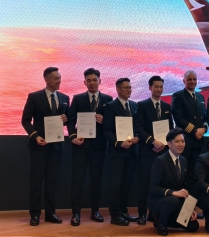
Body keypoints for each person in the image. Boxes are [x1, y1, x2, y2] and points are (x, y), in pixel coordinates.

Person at [21, 66, 69, 226]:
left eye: (60, 78)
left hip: (57, 147)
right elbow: (25, 120)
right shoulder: (34, 97)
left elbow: (68, 120)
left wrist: (66, 119)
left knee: (52, 181)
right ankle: (35, 214)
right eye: (56, 78)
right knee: (36, 181)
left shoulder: (65, 98)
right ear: (47, 79)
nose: (59, 81)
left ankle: (50, 213)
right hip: (39, 146)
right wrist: (35, 136)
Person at [66, 68, 112, 226]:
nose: (92, 83)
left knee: (96, 181)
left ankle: (95, 211)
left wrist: (104, 121)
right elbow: (71, 121)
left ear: (100, 81)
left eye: (94, 80)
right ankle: (76, 214)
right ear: (84, 82)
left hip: (99, 147)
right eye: (89, 80)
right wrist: (72, 136)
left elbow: (111, 123)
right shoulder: (78, 99)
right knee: (77, 181)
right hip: (81, 146)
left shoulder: (108, 99)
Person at [134, 76, 174, 226]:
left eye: (161, 87)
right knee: (145, 183)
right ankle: (142, 214)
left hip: (162, 152)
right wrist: (153, 141)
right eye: (156, 86)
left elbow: (170, 128)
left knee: (160, 184)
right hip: (147, 151)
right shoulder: (142, 105)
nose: (159, 89)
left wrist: (165, 144)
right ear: (150, 88)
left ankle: (154, 213)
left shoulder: (167, 106)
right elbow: (139, 129)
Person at [147, 128, 199, 236]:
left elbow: (185, 186)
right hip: (159, 199)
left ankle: (163, 218)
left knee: (194, 226)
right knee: (173, 201)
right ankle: (161, 223)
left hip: (176, 200)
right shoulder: (160, 161)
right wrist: (174, 193)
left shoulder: (183, 160)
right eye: (177, 141)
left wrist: (190, 208)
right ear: (169, 144)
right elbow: (153, 188)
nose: (180, 144)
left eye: (182, 141)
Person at [102, 78, 139, 226]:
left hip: (132, 152)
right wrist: (119, 143)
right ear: (117, 89)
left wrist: (137, 137)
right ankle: (115, 215)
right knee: (116, 186)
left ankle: (124, 212)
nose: (129, 90)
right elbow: (107, 130)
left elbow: (137, 127)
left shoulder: (134, 105)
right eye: (126, 88)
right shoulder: (110, 106)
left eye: (130, 87)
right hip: (117, 153)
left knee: (126, 185)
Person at [171, 70, 208, 182]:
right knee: (183, 173)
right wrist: (196, 131)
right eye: (189, 79)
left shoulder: (200, 97)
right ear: (184, 81)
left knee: (195, 172)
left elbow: (205, 117)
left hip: (198, 141)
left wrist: (204, 129)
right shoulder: (178, 96)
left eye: (194, 79)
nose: (192, 81)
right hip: (185, 141)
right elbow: (178, 118)